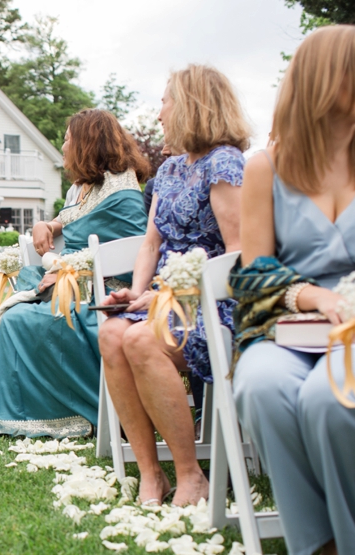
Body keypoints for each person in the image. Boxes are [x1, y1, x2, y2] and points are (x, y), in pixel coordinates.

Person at [231, 25, 355, 555]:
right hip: (289, 324)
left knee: (329, 399)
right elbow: (253, 268)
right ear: (322, 81)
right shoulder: (267, 166)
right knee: (260, 386)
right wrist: (312, 294)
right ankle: (321, 539)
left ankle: (350, 547)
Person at [98, 65, 248, 506]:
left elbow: (236, 253)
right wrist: (136, 292)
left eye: (165, 100)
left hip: (211, 304)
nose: (160, 113)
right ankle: (151, 473)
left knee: (142, 340)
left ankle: (191, 475)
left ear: (191, 104)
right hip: (162, 298)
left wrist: (166, 295)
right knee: (111, 331)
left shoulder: (224, 164)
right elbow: (150, 244)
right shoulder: (168, 170)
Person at [0, 109, 149, 438]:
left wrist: (70, 272)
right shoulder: (87, 186)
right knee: (18, 315)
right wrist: (43, 224)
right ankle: (31, 409)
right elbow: (69, 221)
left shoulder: (123, 191)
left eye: (67, 139)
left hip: (104, 295)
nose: (62, 146)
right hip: (71, 283)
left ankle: (77, 412)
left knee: (20, 320)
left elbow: (132, 254)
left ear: (88, 143)